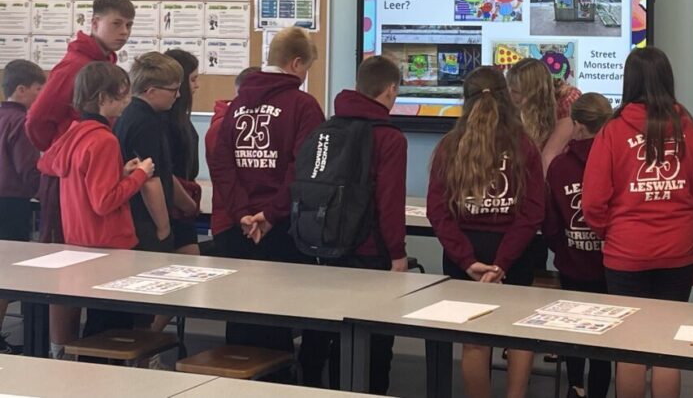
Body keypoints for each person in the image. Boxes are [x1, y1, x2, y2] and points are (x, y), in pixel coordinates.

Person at [581, 47, 693, 398]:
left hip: (627, 252)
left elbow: (592, 202)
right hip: (678, 250)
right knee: (667, 347)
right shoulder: (689, 129)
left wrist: (614, 233)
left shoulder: (611, 132)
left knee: (631, 349)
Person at [25, 0, 134, 359]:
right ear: (94, 23)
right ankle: (60, 350)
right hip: (67, 179)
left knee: (87, 261)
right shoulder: (74, 66)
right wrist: (65, 151)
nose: (124, 31)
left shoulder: (104, 64)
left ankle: (79, 348)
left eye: (128, 25)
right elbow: (36, 121)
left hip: (90, 173)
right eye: (116, 23)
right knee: (65, 262)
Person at [426, 66, 544, 398]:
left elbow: (438, 211)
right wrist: (503, 263)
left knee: (474, 340)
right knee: (519, 334)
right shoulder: (524, 145)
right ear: (508, 99)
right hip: (515, 252)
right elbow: (533, 211)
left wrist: (467, 261)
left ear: (465, 101)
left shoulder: (450, 146)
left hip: (467, 254)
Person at [208, 27, 324, 360]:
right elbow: (303, 168)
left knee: (241, 315)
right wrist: (271, 215)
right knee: (278, 317)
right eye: (306, 69)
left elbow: (222, 164)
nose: (305, 76)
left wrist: (241, 214)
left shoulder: (237, 105)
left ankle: (233, 380)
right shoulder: (303, 105)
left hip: (240, 228)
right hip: (282, 229)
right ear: (296, 63)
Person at [300, 55, 408, 393]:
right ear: (390, 90)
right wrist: (398, 254)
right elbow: (389, 202)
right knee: (374, 338)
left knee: (330, 327)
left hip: (325, 243)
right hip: (369, 250)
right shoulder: (389, 138)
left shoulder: (327, 128)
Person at [37, 62, 153, 342]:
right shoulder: (104, 140)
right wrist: (140, 175)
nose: (128, 100)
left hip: (79, 239)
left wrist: (120, 173)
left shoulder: (75, 133)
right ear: (103, 97)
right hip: (108, 243)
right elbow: (103, 202)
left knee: (98, 319)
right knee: (111, 328)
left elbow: (82, 181)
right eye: (122, 94)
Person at [543, 92, 613, 398]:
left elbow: (550, 222)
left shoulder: (559, 167)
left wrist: (563, 250)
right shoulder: (616, 163)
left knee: (572, 330)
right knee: (603, 338)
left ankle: (576, 387)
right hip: (608, 265)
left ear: (577, 125)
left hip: (572, 263)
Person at [114, 52, 187, 254]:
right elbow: (149, 181)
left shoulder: (129, 114)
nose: (178, 95)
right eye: (173, 90)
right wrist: (164, 228)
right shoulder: (146, 123)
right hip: (145, 220)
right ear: (152, 91)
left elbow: (163, 170)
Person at [0, 60, 45, 354]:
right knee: (6, 274)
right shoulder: (21, 122)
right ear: (21, 90)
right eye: (38, 89)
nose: (42, 96)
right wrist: (48, 193)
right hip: (11, 205)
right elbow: (28, 170)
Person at [206, 66, 259, 255]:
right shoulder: (223, 127)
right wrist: (242, 214)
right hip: (231, 221)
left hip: (252, 218)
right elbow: (225, 177)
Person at [163, 49, 203, 256]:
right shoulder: (166, 121)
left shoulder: (182, 119)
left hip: (182, 204)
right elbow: (165, 172)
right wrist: (188, 205)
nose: (197, 85)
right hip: (174, 207)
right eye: (193, 79)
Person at [507, 58, 571, 173]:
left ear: (533, 94)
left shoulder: (565, 108)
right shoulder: (509, 114)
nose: (509, 96)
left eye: (515, 92)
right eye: (509, 90)